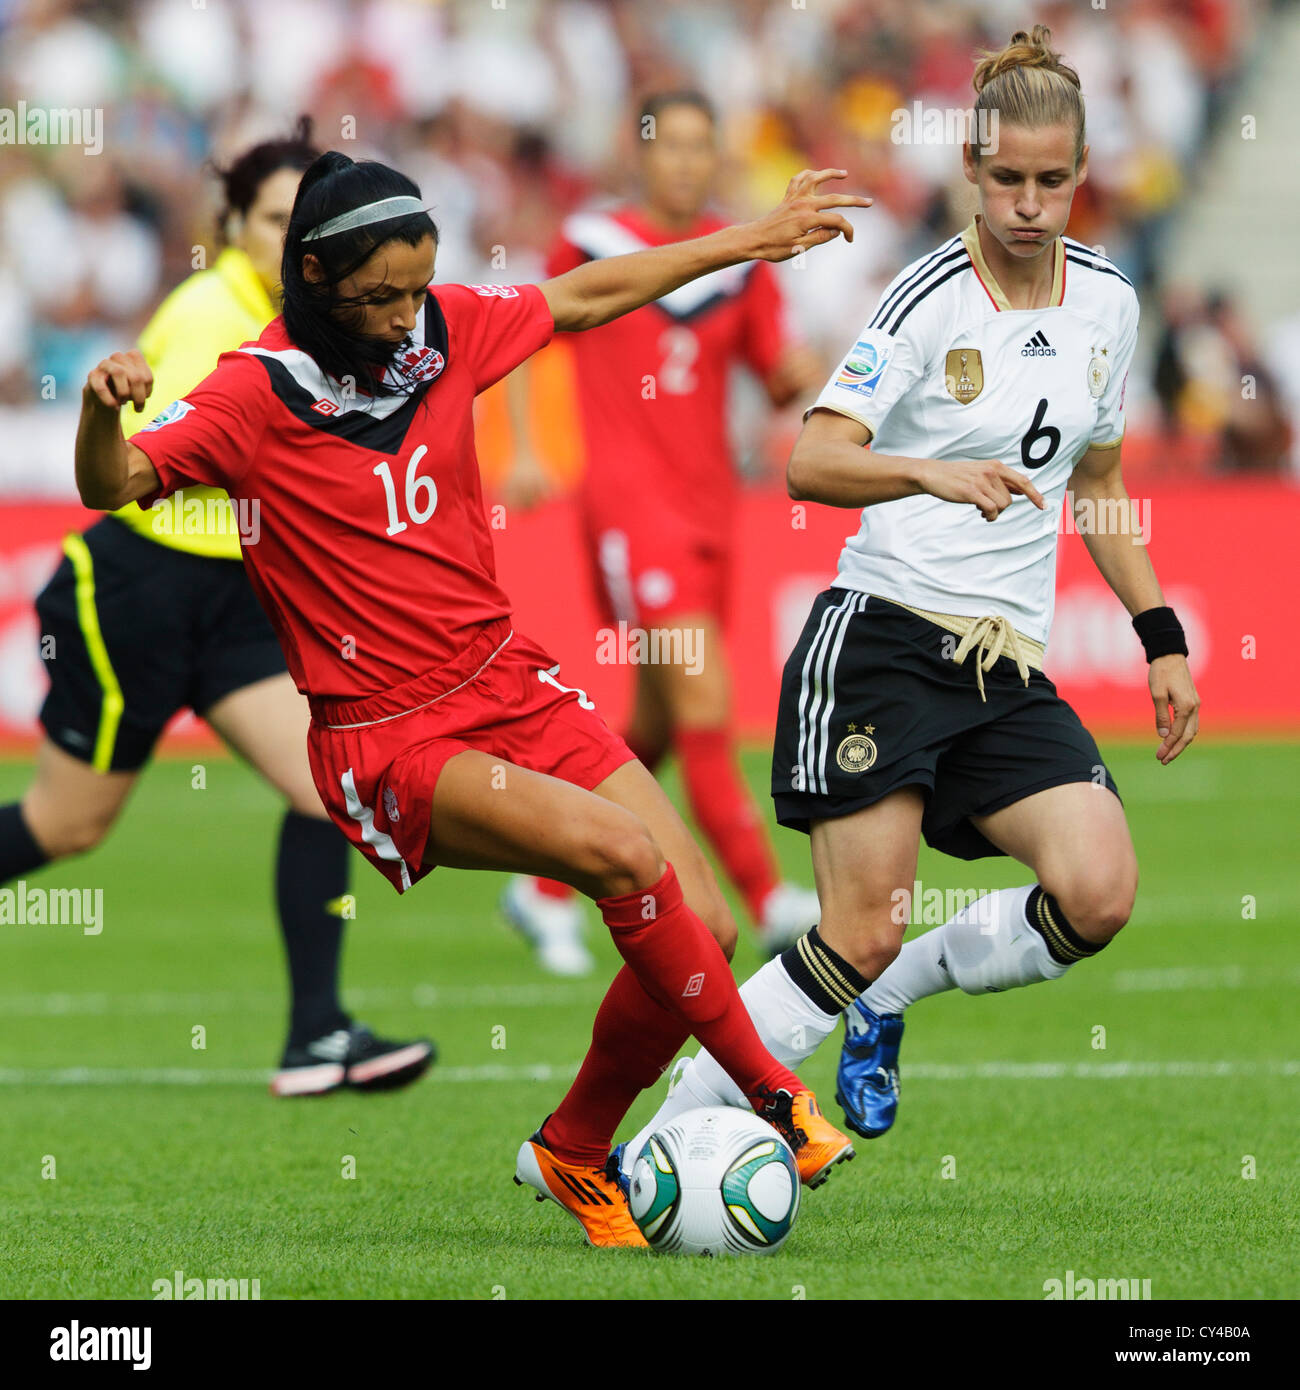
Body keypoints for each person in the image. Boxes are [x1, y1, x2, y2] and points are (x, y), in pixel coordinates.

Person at [73, 151, 870, 1246]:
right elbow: (112, 486)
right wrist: (99, 413)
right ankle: (775, 1092)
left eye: (417, 287)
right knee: (625, 862)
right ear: (313, 275)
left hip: (508, 680)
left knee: (710, 919)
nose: (406, 317)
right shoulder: (252, 395)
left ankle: (574, 1148)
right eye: (380, 296)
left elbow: (586, 294)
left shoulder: (446, 328)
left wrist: (750, 237)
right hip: (388, 736)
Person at [615, 26, 1201, 1171]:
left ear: (1081, 175)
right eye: (1006, 180)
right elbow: (811, 462)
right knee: (858, 925)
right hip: (882, 639)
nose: (1029, 205)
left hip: (1002, 667)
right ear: (970, 174)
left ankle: (894, 997)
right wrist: (930, 471)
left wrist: (1159, 633)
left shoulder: (1110, 305)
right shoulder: (926, 300)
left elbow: (1100, 483)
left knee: (1099, 889)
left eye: (1052, 180)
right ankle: (661, 1139)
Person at [2, 120, 433, 1099]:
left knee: (326, 787)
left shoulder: (303, 317)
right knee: (66, 826)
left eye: (302, 223)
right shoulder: (211, 320)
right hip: (137, 591)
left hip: (232, 597)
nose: (287, 241)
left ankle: (316, 1036)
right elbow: (133, 472)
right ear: (230, 223)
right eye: (269, 220)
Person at [500, 91, 826, 976]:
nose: (684, 162)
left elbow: (775, 369)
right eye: (669, 145)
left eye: (699, 146)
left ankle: (543, 888)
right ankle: (766, 900)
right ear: (639, 153)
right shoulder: (594, 241)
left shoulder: (742, 260)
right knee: (705, 700)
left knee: (651, 726)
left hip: (711, 510)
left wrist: (800, 373)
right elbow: (527, 330)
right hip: (628, 507)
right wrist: (526, 448)